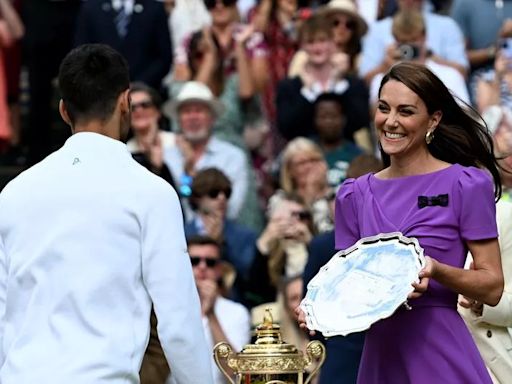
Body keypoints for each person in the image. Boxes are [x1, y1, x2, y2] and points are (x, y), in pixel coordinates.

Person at [0, 44, 212, 384]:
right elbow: (179, 325)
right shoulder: (152, 193)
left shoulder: (13, 194)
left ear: (64, 111)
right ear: (125, 100)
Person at [298, 62, 504, 383]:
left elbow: (492, 286)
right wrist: (318, 309)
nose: (390, 121)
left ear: (433, 120)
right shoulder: (353, 195)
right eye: (383, 108)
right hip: (380, 358)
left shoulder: (466, 184)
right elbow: (348, 285)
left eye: (405, 111)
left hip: (441, 355)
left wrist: (436, 270)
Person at [187, 235, 251, 384]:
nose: (202, 267)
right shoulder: (167, 308)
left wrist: (211, 315)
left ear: (219, 270)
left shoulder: (237, 313)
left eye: (210, 262)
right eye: (194, 261)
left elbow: (234, 371)